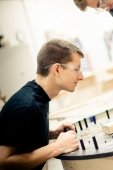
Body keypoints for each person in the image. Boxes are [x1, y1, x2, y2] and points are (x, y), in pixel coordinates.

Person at [0, 39, 84, 170]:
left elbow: (21, 137)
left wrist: (52, 133)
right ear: (57, 69)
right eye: (76, 69)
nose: (81, 76)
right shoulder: (27, 106)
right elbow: (2, 162)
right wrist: (58, 147)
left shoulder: (38, 95)